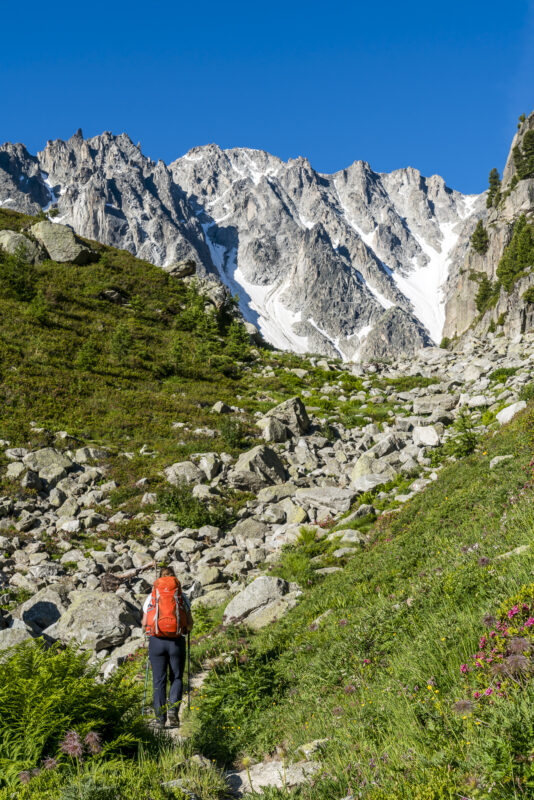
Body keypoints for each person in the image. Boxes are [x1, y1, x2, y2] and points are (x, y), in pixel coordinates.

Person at [141, 567, 193, 728]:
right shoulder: (181, 597)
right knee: (176, 677)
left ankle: (160, 719)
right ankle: (173, 711)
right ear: (174, 579)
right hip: (176, 642)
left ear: (160, 579)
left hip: (157, 642)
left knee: (158, 680)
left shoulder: (152, 596)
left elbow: (144, 623)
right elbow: (189, 623)